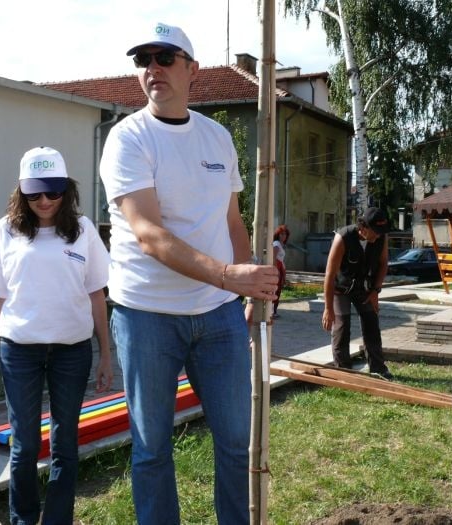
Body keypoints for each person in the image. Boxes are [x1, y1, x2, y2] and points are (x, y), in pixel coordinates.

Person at [98, 22, 278, 525]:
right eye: (144, 61)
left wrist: (247, 285)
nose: (152, 68)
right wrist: (228, 276)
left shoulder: (217, 137)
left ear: (191, 69)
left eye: (165, 57)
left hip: (218, 315)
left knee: (236, 440)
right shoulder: (127, 139)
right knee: (152, 448)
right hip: (147, 315)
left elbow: (231, 220)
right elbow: (149, 235)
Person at [0, 146, 112, 525]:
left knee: (65, 445)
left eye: (52, 191)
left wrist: (106, 355)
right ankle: (23, 519)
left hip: (72, 352)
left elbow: (97, 295)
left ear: (66, 190)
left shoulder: (83, 232)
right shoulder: (5, 231)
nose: (44, 201)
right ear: (21, 191)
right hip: (20, 352)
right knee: (26, 445)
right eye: (34, 193)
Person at [321, 208, 392, 379]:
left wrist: (375, 291)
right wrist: (328, 308)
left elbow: (383, 264)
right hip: (340, 289)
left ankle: (377, 368)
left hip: (364, 288)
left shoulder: (381, 237)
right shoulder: (343, 238)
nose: (378, 236)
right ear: (364, 227)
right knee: (341, 327)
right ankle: (344, 371)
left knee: (371, 323)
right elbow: (330, 276)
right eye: (376, 232)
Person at [272, 224, 290, 319]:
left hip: (281, 267)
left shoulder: (281, 244)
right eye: (281, 234)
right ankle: (271, 311)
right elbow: (274, 257)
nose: (283, 236)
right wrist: (276, 270)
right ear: (278, 234)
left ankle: (274, 310)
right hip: (277, 267)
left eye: (285, 234)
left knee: (278, 289)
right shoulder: (276, 244)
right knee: (275, 289)